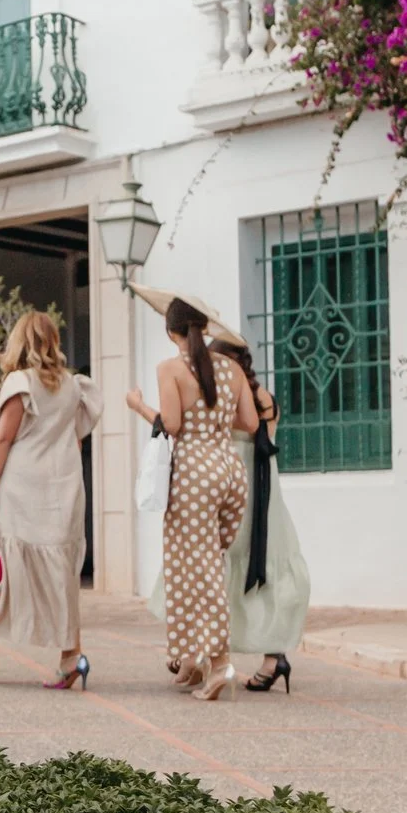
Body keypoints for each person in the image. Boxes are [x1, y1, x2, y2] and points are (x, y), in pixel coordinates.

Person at [144, 339, 311, 690]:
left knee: (211, 565)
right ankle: (272, 654)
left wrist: (141, 407)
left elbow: (184, 426)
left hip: (228, 482)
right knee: (263, 567)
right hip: (266, 490)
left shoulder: (225, 400)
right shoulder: (264, 397)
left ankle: (199, 650)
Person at [0, 311, 103, 688]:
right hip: (63, 489)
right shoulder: (74, 386)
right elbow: (76, 437)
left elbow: (3, 439)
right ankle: (71, 658)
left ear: (19, 341)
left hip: (22, 490)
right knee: (61, 577)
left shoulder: (19, 382)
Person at [125, 297, 258, 700]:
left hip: (193, 474)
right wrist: (216, 417)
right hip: (230, 471)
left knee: (198, 569)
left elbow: (173, 424)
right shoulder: (231, 368)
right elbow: (250, 423)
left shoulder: (170, 368)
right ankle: (191, 657)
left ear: (172, 332)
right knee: (195, 563)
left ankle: (218, 663)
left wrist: (138, 406)